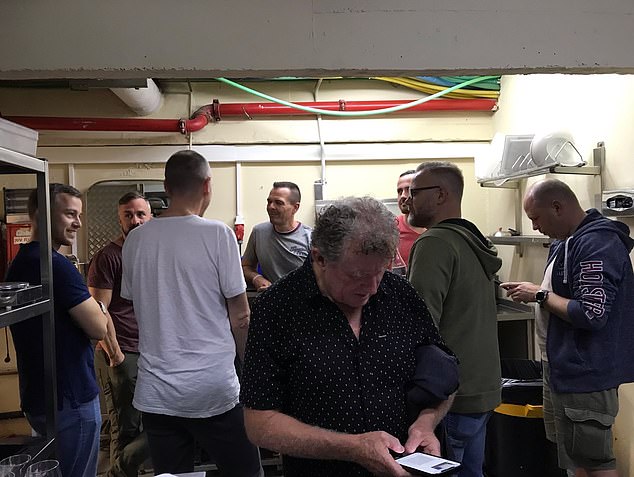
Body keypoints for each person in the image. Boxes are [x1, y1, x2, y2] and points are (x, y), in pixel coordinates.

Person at [241, 196, 456, 477]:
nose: (372, 288)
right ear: (319, 258)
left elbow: (445, 377)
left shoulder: (400, 295)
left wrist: (426, 423)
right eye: (356, 275)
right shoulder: (277, 309)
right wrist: (352, 447)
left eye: (380, 272)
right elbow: (259, 423)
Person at [121, 150, 262, 477]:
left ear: (166, 187)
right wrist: (254, 375)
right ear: (208, 185)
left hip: (157, 394)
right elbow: (241, 317)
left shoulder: (135, 241)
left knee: (173, 476)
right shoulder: (218, 235)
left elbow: (134, 301)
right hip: (213, 390)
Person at [500, 178, 634, 477]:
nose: (535, 227)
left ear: (557, 207)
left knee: (595, 460)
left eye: (536, 218)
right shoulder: (565, 242)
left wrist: (539, 295)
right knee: (574, 457)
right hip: (561, 369)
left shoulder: (597, 243)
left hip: (586, 374)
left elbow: (592, 313)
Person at [406, 161, 502, 477]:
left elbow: (420, 326)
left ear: (441, 195)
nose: (408, 199)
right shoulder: (470, 240)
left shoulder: (434, 242)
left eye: (415, 192)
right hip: (482, 389)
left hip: (451, 397)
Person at [7, 183, 107, 477]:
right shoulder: (55, 266)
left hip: (41, 398)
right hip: (71, 400)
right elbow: (98, 327)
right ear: (40, 214)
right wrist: (99, 308)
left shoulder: (21, 262)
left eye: (79, 214)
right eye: (69, 214)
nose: (77, 222)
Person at [88, 191, 151, 477]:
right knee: (125, 427)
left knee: (160, 422)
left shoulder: (153, 254)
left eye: (141, 214)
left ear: (151, 217)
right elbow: (99, 311)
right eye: (129, 215)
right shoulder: (108, 257)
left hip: (151, 351)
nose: (135, 220)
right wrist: (115, 355)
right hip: (122, 351)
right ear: (120, 219)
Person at [242, 181, 311, 291]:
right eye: (269, 202)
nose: (271, 207)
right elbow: (245, 267)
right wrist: (256, 278)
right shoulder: (258, 232)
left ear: (295, 208)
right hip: (272, 303)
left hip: (303, 302)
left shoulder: (310, 238)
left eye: (279, 203)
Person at [396, 170, 426, 267]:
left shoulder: (439, 230)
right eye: (399, 191)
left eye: (408, 190)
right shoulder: (389, 230)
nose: (403, 196)